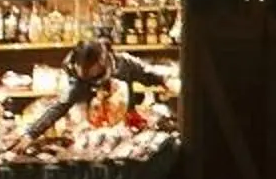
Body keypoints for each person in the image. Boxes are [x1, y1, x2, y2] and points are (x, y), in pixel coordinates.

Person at [17, 35, 171, 141]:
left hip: (125, 132)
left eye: (91, 70)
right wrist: (31, 134)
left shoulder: (123, 63)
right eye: (81, 70)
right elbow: (60, 106)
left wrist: (167, 81)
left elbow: (150, 75)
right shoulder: (74, 77)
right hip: (87, 135)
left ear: (102, 61)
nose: (85, 75)